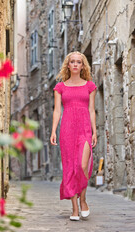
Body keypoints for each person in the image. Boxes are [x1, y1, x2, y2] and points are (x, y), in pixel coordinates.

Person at [50, 51, 97, 221]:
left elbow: (92, 110)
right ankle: (75, 208)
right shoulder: (60, 87)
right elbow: (57, 111)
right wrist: (53, 130)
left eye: (79, 62)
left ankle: (83, 198)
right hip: (67, 129)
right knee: (70, 167)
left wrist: (94, 131)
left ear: (83, 65)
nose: (76, 64)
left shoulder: (90, 86)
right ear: (68, 65)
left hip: (84, 128)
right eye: (73, 62)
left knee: (82, 165)